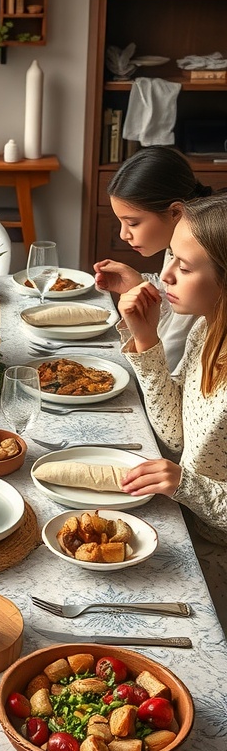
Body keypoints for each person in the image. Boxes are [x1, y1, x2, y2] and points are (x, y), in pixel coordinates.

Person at [116, 194, 227, 628]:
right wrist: (145, 338)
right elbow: (178, 435)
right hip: (189, 523)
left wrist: (186, 484)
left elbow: (187, 468)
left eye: (183, 267)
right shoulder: (208, 326)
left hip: (215, 557)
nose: (164, 276)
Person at [93, 146, 214, 371]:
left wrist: (143, 334)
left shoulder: (203, 263)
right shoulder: (178, 248)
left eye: (133, 223)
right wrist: (140, 285)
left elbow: (170, 357)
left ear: (175, 213)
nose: (123, 234)